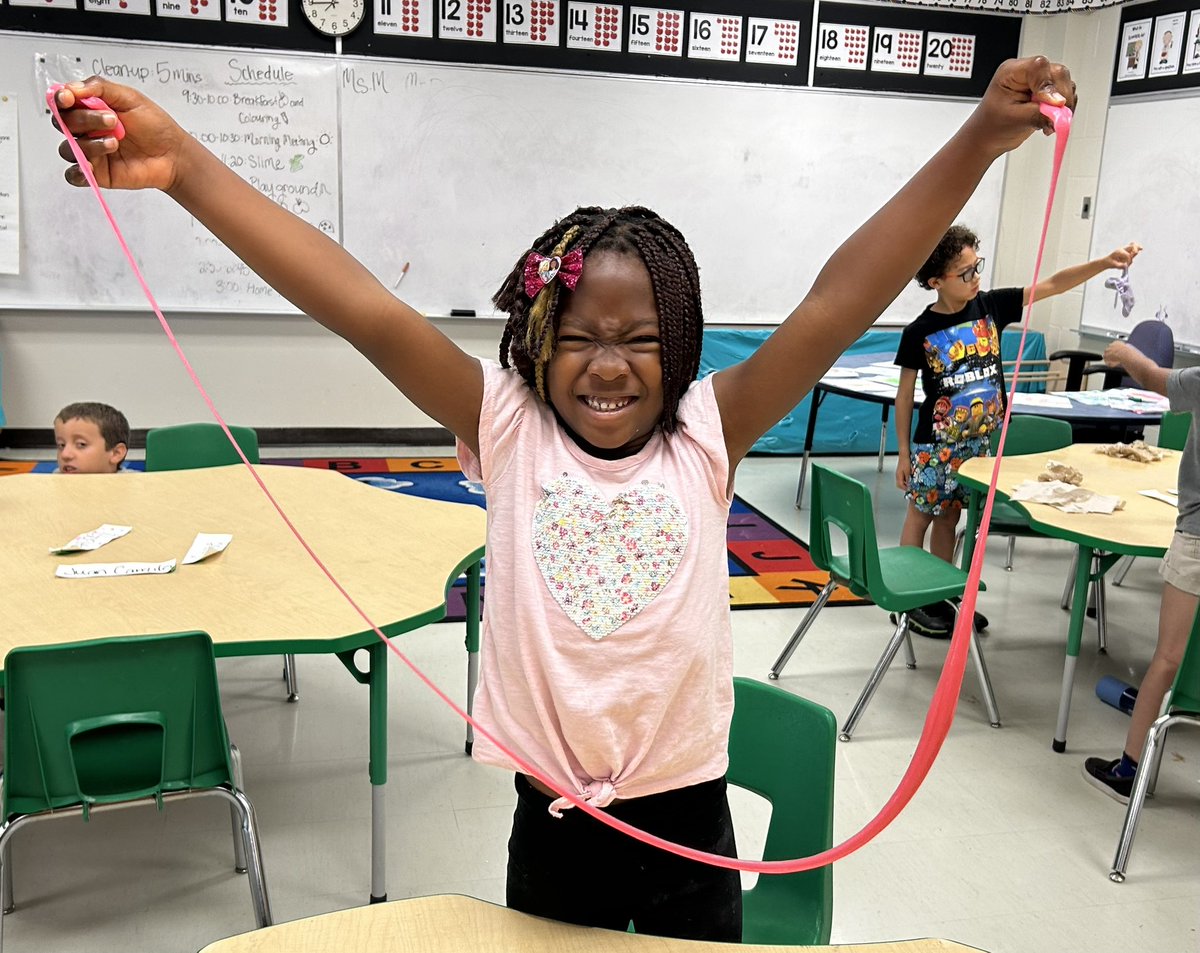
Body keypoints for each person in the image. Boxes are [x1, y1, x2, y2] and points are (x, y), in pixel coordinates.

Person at [50, 58, 1074, 940]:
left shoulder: (714, 428)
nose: (610, 365)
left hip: (693, 829)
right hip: (549, 830)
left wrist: (980, 138)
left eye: (640, 338)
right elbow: (357, 302)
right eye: (580, 335)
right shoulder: (505, 423)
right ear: (536, 337)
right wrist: (184, 169)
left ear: (682, 343)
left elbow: (840, 294)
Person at [893, 227, 1141, 637]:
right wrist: (903, 453)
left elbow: (1054, 285)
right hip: (934, 445)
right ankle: (908, 598)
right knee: (921, 514)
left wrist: (1103, 263)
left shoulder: (992, 306)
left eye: (978, 269)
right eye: (965, 273)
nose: (976, 280)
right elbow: (905, 397)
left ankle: (939, 596)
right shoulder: (918, 331)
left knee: (950, 518)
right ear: (936, 281)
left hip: (978, 445)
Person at [1083, 340, 1199, 803]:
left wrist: (1123, 354)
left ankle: (1130, 770)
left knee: (1169, 657)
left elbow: (1154, 379)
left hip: (1196, 541)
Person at [53, 401, 130, 474]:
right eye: (61, 445)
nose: (65, 455)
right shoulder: (50, 482)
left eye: (81, 444)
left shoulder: (137, 485)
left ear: (116, 453)